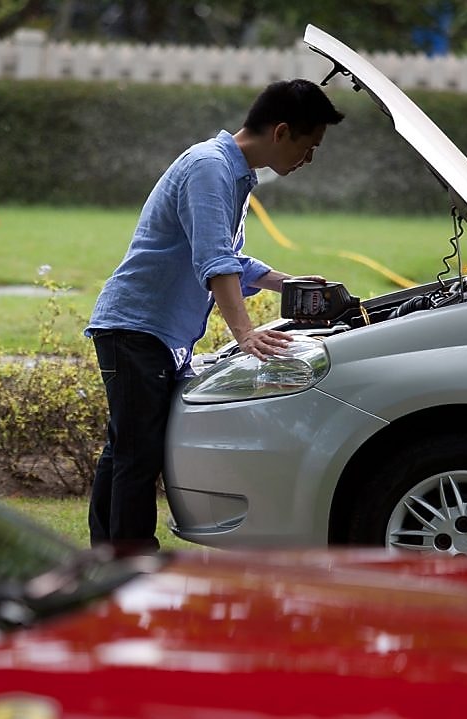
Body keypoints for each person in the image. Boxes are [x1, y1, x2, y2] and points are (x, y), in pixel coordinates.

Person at [85, 78, 345, 553]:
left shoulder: (230, 171)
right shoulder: (210, 167)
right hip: (136, 328)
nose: (308, 159)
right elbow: (215, 260)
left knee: (126, 450)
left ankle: (108, 556)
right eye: (308, 147)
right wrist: (245, 333)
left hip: (149, 332)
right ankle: (131, 562)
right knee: (137, 455)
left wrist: (291, 284)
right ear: (281, 132)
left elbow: (229, 259)